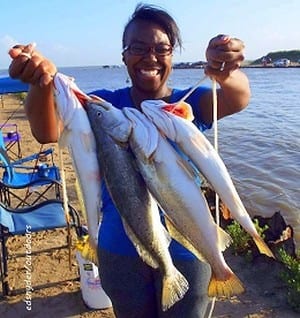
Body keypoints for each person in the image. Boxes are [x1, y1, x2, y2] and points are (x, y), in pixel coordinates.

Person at [8, 4, 250, 317]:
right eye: (138, 48)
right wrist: (40, 84)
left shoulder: (187, 106)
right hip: (118, 250)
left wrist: (227, 71)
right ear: (124, 55)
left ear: (172, 55)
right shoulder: (104, 106)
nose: (150, 57)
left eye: (161, 48)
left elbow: (237, 97)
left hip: (191, 248)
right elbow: (46, 131)